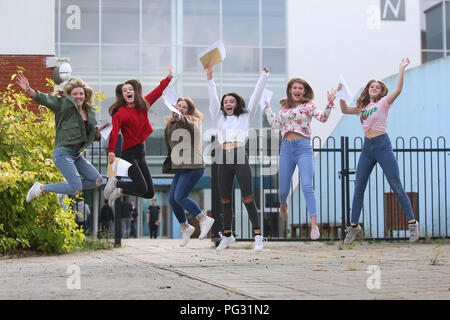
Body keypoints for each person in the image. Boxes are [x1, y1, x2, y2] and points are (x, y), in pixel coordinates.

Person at [339, 57, 419, 244]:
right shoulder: (362, 107)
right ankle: (353, 226)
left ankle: (412, 222)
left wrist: (401, 69)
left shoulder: (384, 102)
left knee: (395, 185)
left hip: (382, 145)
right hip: (368, 148)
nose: (374, 87)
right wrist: (341, 93)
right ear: (367, 90)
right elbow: (344, 110)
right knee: (359, 186)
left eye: (378, 86)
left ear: (382, 91)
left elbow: (398, 90)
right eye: (371, 86)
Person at [206, 65, 269, 252]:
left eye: (231, 101)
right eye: (225, 101)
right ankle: (227, 236)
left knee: (248, 198)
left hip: (240, 155)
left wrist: (264, 76)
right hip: (223, 158)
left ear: (237, 103)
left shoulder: (245, 116)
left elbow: (256, 97)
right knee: (225, 200)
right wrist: (210, 79)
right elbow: (212, 99)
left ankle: (258, 236)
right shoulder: (219, 118)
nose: (227, 103)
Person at [15, 74, 106, 204]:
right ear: (69, 95)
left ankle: (64, 188)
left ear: (85, 95)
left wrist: (97, 134)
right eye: (75, 94)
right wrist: (29, 89)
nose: (79, 96)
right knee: (76, 188)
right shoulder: (63, 105)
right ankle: (41, 187)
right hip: (63, 153)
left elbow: (89, 134)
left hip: (76, 154)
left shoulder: (89, 111)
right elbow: (44, 99)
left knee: (97, 180)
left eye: (81, 93)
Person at [264, 78, 337, 240]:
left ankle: (314, 225)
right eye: (294, 87)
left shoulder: (309, 107)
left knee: (307, 185)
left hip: (303, 147)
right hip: (286, 149)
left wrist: (330, 103)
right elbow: (275, 124)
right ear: (290, 90)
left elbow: (323, 118)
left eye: (300, 88)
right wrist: (268, 107)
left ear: (304, 91)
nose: (297, 90)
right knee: (283, 189)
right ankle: (283, 205)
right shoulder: (284, 108)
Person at [104, 67, 174, 207]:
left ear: (135, 92)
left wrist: (169, 78)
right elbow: (114, 132)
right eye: (124, 91)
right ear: (122, 95)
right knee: (141, 187)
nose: (128, 92)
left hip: (141, 153)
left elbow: (158, 91)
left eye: (130, 89)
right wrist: (111, 150)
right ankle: (115, 182)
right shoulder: (120, 113)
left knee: (149, 193)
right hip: (129, 154)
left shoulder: (144, 105)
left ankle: (120, 190)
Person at [163, 97, 215, 247]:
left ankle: (203, 218)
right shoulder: (171, 123)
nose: (180, 108)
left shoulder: (193, 121)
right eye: (178, 106)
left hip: (194, 165)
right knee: (172, 199)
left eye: (184, 107)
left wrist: (180, 117)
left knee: (180, 196)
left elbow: (188, 124)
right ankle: (185, 227)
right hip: (181, 166)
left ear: (189, 110)